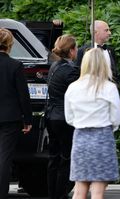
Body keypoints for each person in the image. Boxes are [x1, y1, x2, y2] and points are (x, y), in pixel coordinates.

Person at [64, 48, 120, 199]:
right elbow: (117, 117)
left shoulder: (73, 87)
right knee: (97, 192)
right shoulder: (109, 88)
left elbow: (69, 118)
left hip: (80, 139)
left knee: (79, 190)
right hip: (102, 137)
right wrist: (111, 126)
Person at [46, 34, 80, 199]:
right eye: (76, 48)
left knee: (53, 158)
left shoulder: (54, 66)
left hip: (51, 115)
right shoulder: (72, 70)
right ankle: (60, 194)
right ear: (72, 51)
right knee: (66, 158)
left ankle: (52, 193)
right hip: (64, 117)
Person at [0, 28, 32, 199]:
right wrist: (28, 119)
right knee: (4, 157)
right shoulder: (15, 65)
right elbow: (23, 96)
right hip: (9, 117)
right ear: (9, 44)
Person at [76, 20, 119, 84]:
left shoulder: (111, 50)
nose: (109, 33)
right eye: (106, 30)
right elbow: (78, 73)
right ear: (95, 32)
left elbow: (114, 71)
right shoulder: (83, 51)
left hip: (109, 90)